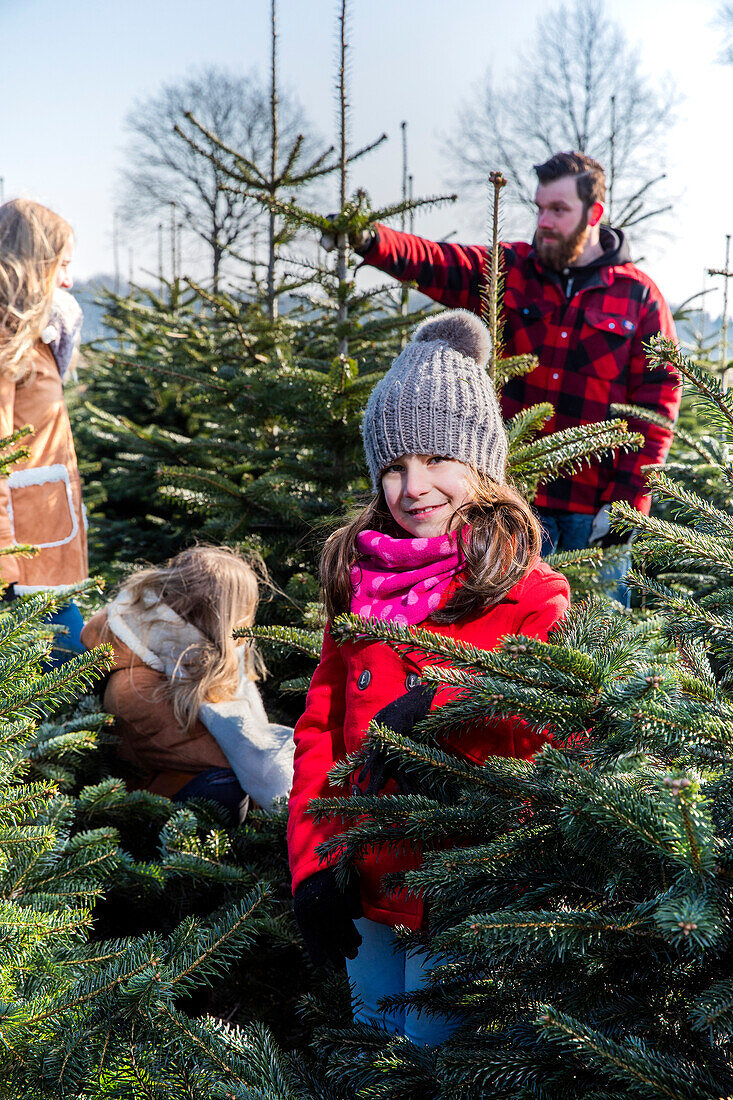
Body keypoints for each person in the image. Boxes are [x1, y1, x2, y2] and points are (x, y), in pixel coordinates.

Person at [288, 310, 571, 1044]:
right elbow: (318, 731)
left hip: (463, 887)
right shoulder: (360, 584)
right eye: (392, 465)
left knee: (433, 1059)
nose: (412, 486)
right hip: (365, 878)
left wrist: (441, 703)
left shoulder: (529, 592)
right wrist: (310, 868)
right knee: (372, 1049)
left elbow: (546, 719)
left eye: (436, 459)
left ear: (480, 463)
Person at [326, 152, 680, 578]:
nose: (544, 220)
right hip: (509, 505)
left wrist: (628, 505)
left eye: (559, 209)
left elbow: (656, 411)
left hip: (592, 515)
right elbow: (437, 262)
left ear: (595, 212)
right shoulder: (509, 269)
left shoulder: (639, 298)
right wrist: (370, 239)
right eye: (539, 207)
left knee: (602, 640)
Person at [81, 545, 294, 823]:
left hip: (179, 785)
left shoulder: (181, 658)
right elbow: (232, 755)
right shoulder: (136, 685)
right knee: (226, 786)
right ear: (220, 617)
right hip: (153, 813)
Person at [0, 198, 88, 657]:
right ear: (34, 261)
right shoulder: (5, 342)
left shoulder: (38, 336)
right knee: (70, 664)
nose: (69, 280)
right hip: (19, 555)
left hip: (45, 534)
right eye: (63, 264)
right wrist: (4, 561)